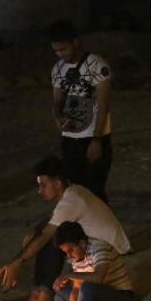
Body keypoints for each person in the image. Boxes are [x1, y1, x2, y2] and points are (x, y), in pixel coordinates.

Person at [0, 156, 130, 301]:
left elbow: (46, 234)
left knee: (51, 242)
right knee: (42, 237)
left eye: (43, 185)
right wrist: (29, 240)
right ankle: (37, 294)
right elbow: (44, 227)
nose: (40, 191)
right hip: (96, 246)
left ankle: (44, 297)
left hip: (109, 250)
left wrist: (18, 262)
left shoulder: (71, 201)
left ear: (58, 183)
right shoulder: (72, 193)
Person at [49, 20, 113, 204]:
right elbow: (57, 101)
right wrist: (58, 117)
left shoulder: (97, 65)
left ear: (75, 42)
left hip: (93, 136)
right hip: (70, 137)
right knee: (76, 191)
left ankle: (103, 230)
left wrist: (97, 140)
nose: (60, 54)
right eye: (56, 51)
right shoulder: (58, 69)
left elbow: (103, 105)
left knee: (95, 190)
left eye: (63, 49)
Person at [51, 221, 136, 301]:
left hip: (120, 300)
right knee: (60, 294)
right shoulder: (77, 256)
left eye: (70, 250)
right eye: (66, 252)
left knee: (88, 286)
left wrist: (69, 275)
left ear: (82, 243)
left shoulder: (100, 248)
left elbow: (98, 277)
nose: (69, 256)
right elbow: (76, 289)